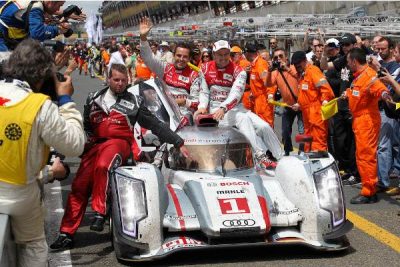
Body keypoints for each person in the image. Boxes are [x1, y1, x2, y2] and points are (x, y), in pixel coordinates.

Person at [50, 63, 189, 250]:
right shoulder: (93, 98)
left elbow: (155, 124)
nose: (120, 84)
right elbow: (87, 128)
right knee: (79, 186)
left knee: (103, 165)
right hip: (96, 146)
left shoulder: (135, 101)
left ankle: (99, 212)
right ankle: (66, 233)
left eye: (124, 80)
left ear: (128, 81)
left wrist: (178, 142)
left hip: (120, 143)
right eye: (116, 80)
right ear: (108, 79)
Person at [0, 38, 85, 267]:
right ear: (41, 77)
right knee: (34, 244)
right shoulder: (39, 105)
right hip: (17, 195)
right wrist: (66, 99)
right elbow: (74, 145)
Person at [196, 40, 282, 169]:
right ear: (214, 54)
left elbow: (236, 95)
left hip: (233, 108)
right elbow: (204, 91)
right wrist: (202, 106)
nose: (223, 57)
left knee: (264, 126)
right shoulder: (205, 68)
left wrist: (224, 107)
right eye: (220, 54)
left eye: (226, 54)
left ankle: (280, 159)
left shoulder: (239, 71)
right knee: (243, 119)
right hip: (216, 113)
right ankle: (260, 155)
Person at [343, 48, 391, 204]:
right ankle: (369, 188)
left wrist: (386, 96)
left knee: (366, 156)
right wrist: (348, 94)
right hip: (361, 120)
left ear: (354, 61)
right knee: (362, 156)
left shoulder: (369, 76)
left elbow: (380, 90)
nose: (348, 65)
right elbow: (360, 94)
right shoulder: (360, 77)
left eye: (349, 61)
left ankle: (369, 192)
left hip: (367, 121)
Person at [320, 33, 359, 184]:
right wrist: (324, 53)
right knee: (340, 141)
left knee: (352, 142)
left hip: (352, 107)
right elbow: (324, 66)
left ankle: (355, 173)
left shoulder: (360, 58)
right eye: (342, 45)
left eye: (347, 45)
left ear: (354, 45)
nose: (344, 48)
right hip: (340, 106)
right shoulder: (343, 59)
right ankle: (348, 170)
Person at [139, 17, 200, 113]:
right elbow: (148, 58)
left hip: (185, 115)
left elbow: (196, 102)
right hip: (166, 113)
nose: (181, 59)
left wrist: (183, 102)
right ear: (173, 55)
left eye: (185, 57)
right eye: (178, 55)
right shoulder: (165, 68)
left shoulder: (194, 76)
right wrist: (143, 38)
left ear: (189, 59)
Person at [291, 51, 335, 151]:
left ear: (304, 60)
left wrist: (325, 101)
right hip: (307, 114)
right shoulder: (303, 74)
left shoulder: (313, 71)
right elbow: (306, 94)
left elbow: (325, 89)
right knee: (308, 141)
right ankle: (309, 162)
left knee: (318, 141)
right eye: (295, 64)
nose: (297, 66)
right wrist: (299, 104)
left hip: (316, 113)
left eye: (298, 63)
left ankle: (319, 164)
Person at [266, 47, 304, 156]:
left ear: (286, 58)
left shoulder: (293, 68)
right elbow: (268, 84)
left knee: (302, 132)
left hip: (300, 105)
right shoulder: (276, 72)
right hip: (288, 106)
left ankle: (302, 153)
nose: (278, 59)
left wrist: (287, 69)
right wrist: (269, 71)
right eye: (276, 57)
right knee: (285, 132)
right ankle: (287, 152)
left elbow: (300, 77)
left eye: (281, 56)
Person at [0, 1, 77, 51]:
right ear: (51, 2)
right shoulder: (36, 6)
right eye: (59, 5)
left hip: (7, 37)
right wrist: (59, 29)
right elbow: (37, 33)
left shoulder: (34, 4)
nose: (58, 9)